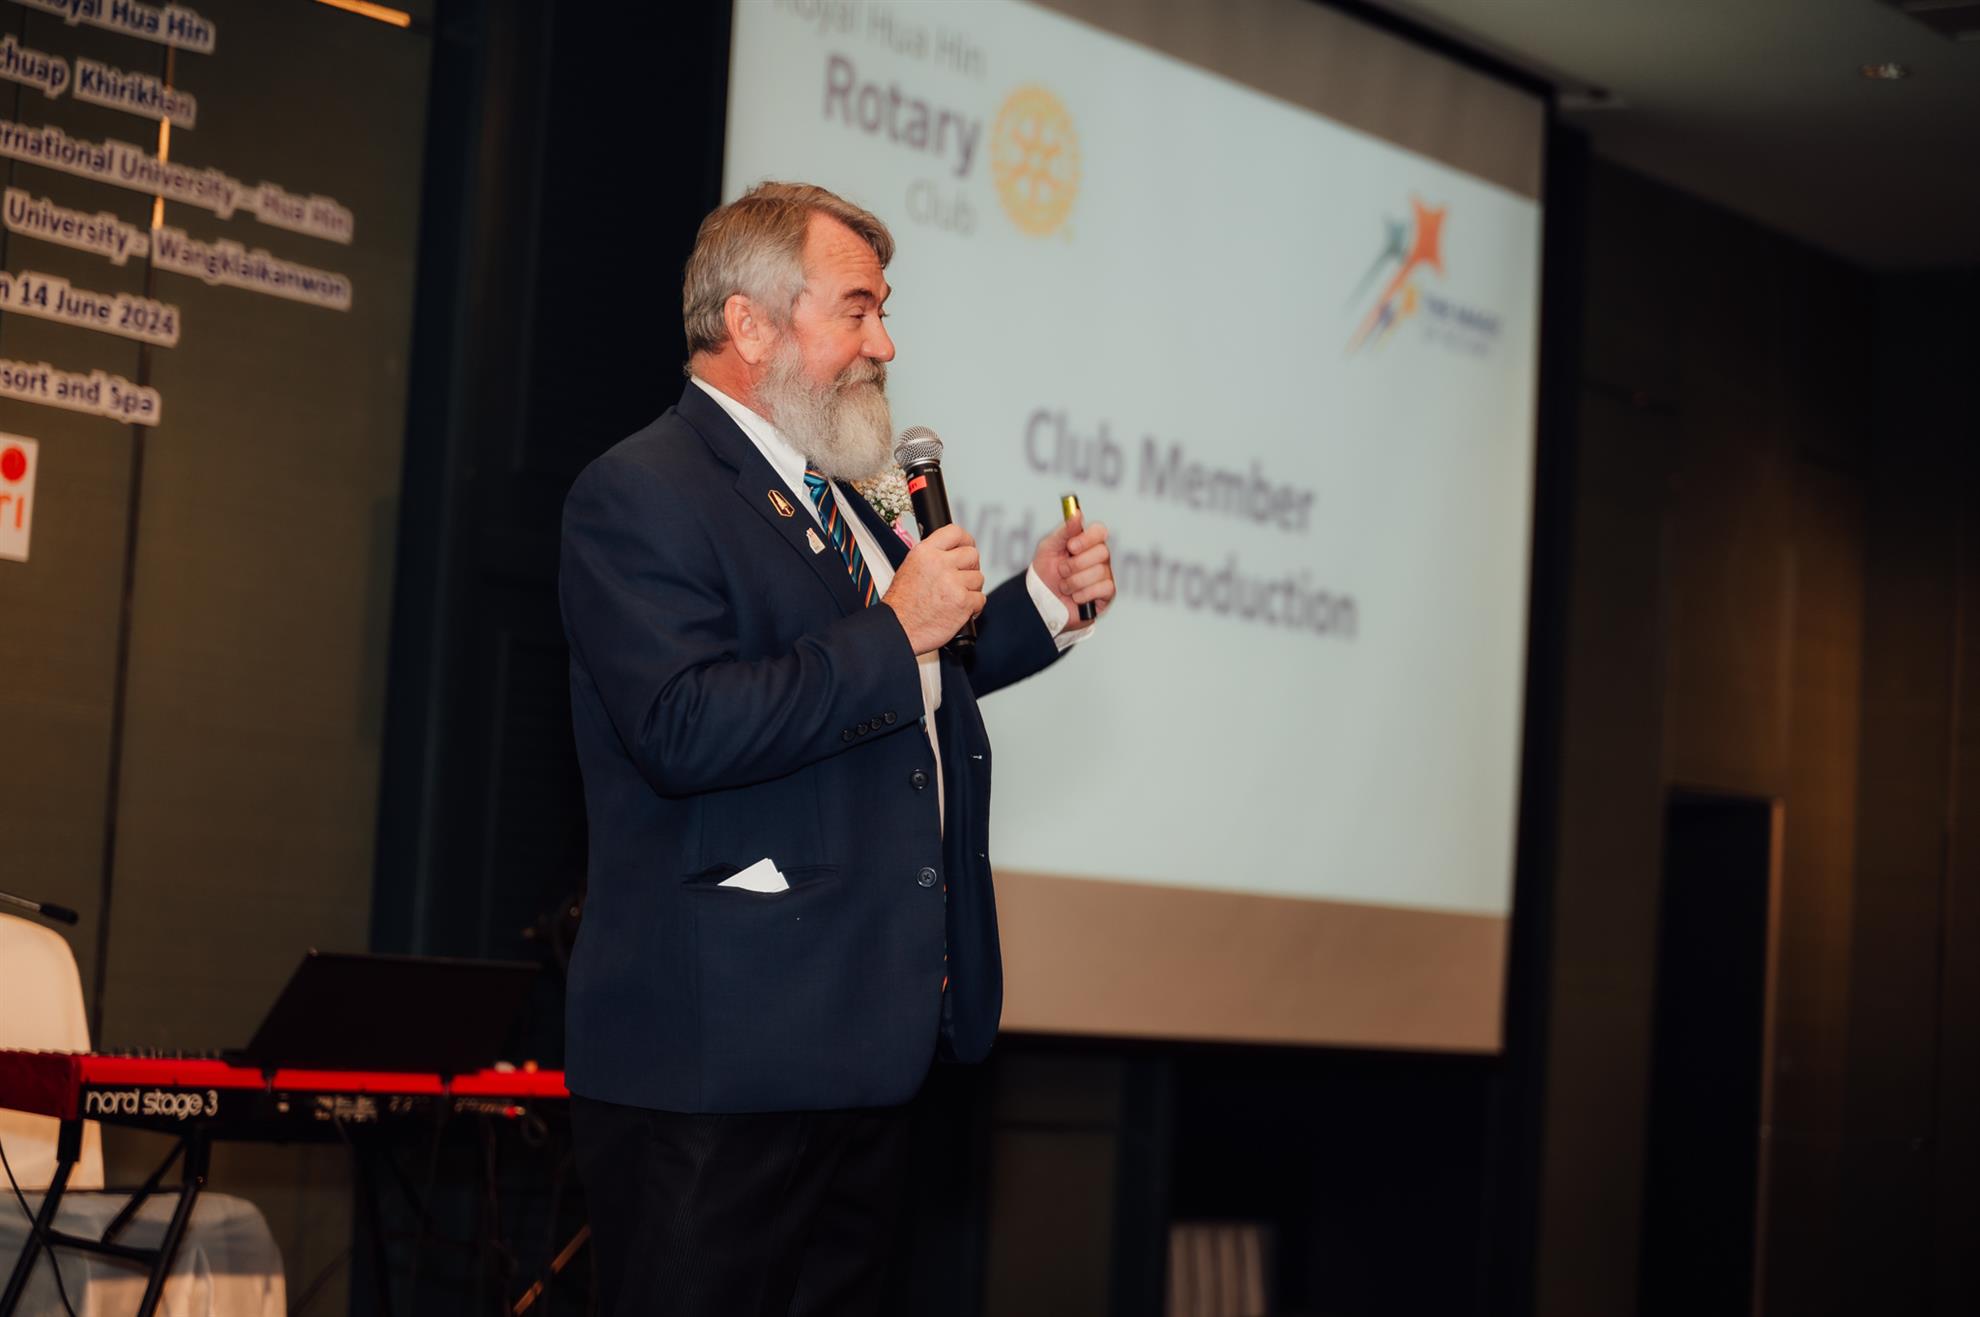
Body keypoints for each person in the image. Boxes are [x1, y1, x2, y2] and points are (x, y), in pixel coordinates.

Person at [557, 181, 1116, 1316]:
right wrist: (897, 627)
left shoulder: (842, 496)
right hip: (721, 1062)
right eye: (858, 311)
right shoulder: (640, 490)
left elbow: (899, 686)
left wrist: (1039, 604)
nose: (885, 343)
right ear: (751, 324)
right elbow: (683, 724)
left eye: (883, 312)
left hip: (864, 1047)